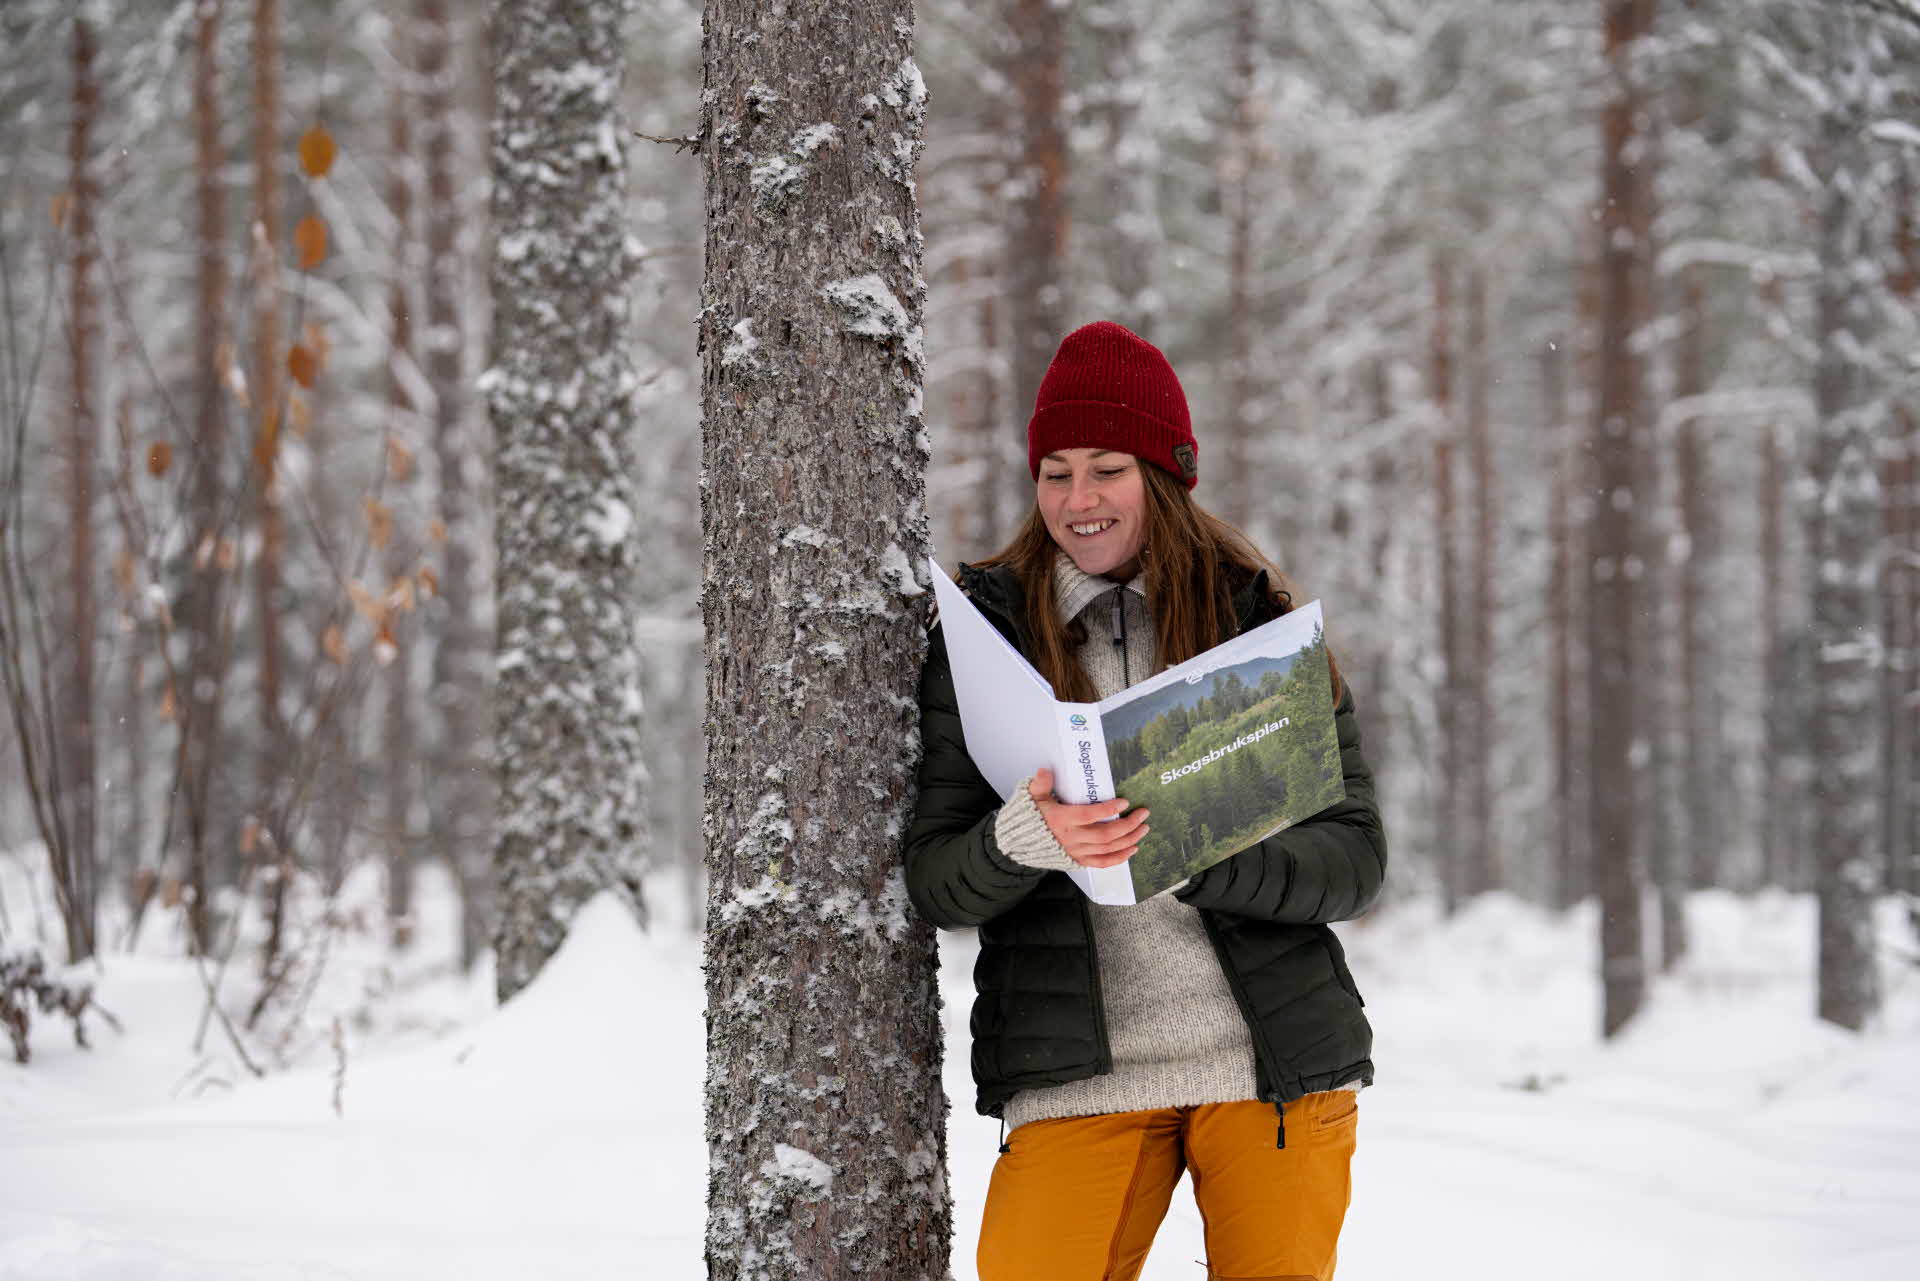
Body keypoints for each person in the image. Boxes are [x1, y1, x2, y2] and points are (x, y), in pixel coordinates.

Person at [904, 320, 1386, 1281]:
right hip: (1075, 1072)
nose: (1078, 499)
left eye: (1108, 468)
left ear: (1163, 475)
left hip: (1272, 1068)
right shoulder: (986, 633)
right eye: (1055, 472)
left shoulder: (1257, 619)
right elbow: (935, 885)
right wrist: (1024, 837)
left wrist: (1204, 848)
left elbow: (1355, 858)